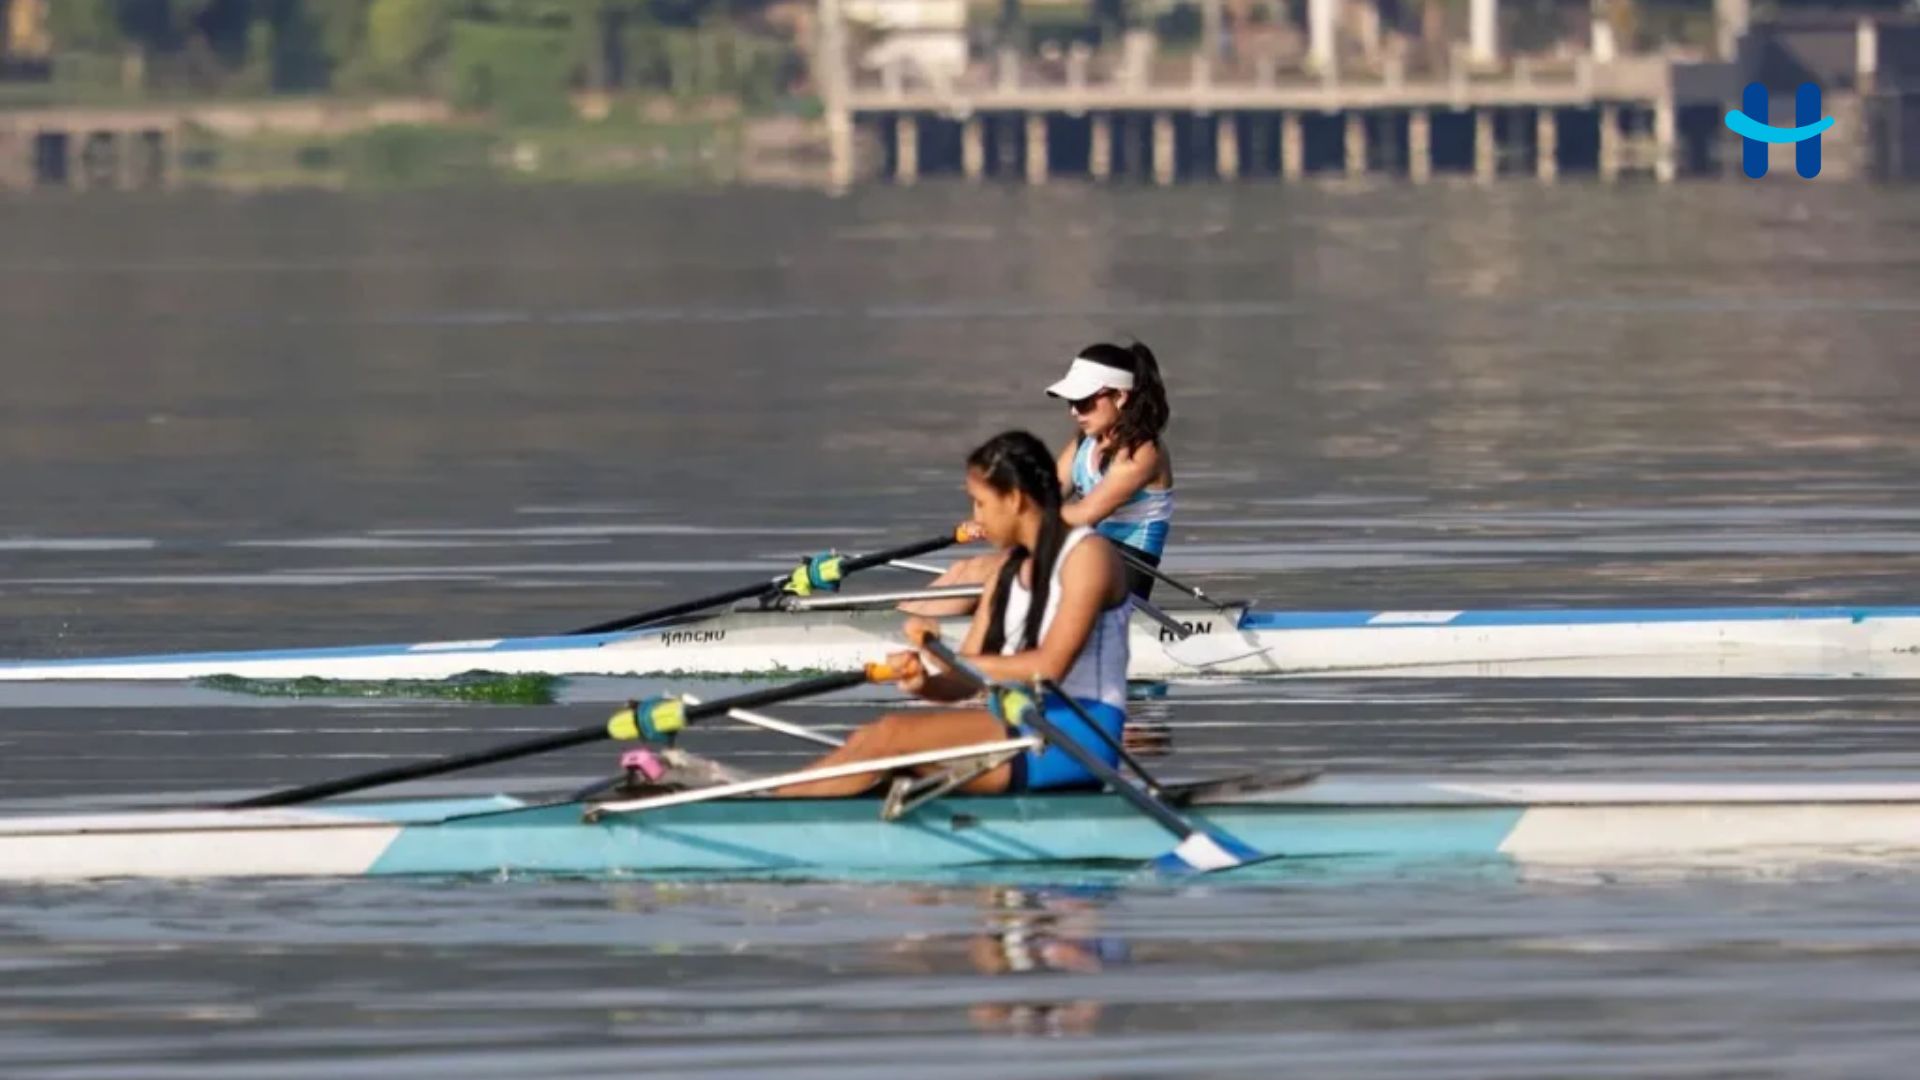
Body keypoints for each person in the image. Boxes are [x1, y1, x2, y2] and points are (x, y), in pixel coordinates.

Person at [778, 430, 1131, 798]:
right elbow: (967, 677)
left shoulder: (1088, 556)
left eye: (980, 503)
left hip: (1077, 738)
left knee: (891, 737)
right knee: (872, 737)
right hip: (1018, 726)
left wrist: (951, 660)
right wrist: (926, 678)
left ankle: (763, 816)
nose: (975, 518)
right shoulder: (1007, 571)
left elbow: (1049, 666)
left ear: (1013, 499)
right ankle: (772, 805)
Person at [903, 342, 1174, 616]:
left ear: (1120, 397)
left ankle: (910, 637)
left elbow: (1084, 514)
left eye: (1083, 402)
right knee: (965, 569)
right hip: (1085, 557)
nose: (1074, 412)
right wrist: (993, 514)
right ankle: (892, 629)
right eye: (1071, 402)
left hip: (1123, 575)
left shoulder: (1144, 453)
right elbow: (1044, 495)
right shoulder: (1084, 442)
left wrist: (1011, 520)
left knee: (989, 571)